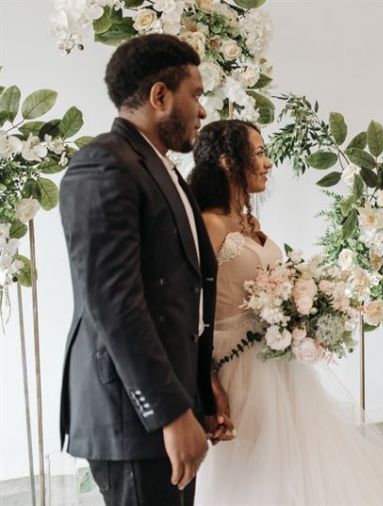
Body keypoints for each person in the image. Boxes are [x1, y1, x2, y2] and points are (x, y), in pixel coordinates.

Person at [189, 119, 383, 505]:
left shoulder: (245, 220)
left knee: (295, 464)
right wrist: (206, 381)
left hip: (275, 361)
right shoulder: (207, 224)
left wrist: (301, 308)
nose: (268, 162)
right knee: (252, 470)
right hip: (235, 364)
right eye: (259, 153)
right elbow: (192, 306)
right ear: (228, 161)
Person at [59, 34, 228, 505]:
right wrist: (170, 413)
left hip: (167, 405)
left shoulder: (161, 168)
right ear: (159, 96)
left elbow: (181, 295)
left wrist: (200, 391)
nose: (202, 110)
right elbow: (114, 303)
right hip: (135, 415)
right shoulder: (103, 165)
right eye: (195, 95)